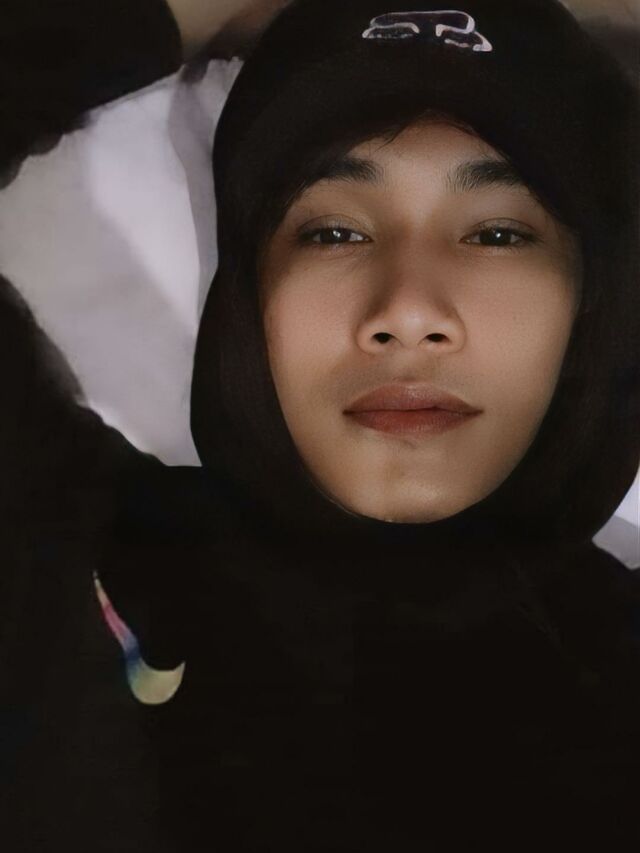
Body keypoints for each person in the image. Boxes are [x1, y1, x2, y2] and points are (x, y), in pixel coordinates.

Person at [1, 0, 640, 850]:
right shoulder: (71, 537)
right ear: (249, 293)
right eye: (334, 230)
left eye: (496, 233)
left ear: (595, 302)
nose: (407, 312)